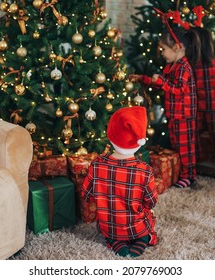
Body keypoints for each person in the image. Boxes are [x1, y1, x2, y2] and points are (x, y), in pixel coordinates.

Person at [81, 106, 158, 258]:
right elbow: (151, 201)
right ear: (139, 142)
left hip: (110, 225)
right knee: (147, 224)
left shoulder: (97, 165)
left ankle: (116, 242)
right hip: (136, 226)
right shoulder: (144, 170)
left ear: (110, 135)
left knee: (109, 231)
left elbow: (86, 194)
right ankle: (141, 241)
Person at [129, 27, 200, 188]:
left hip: (184, 115)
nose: (162, 53)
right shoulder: (173, 66)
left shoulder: (184, 67)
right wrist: (142, 78)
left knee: (185, 148)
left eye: (164, 49)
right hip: (174, 115)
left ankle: (189, 176)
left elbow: (178, 89)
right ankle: (181, 173)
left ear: (176, 48)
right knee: (176, 145)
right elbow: (162, 84)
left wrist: (161, 81)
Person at [192, 27, 215, 167]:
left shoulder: (194, 65)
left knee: (195, 132)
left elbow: (192, 86)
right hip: (213, 105)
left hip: (198, 106)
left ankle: (198, 157)